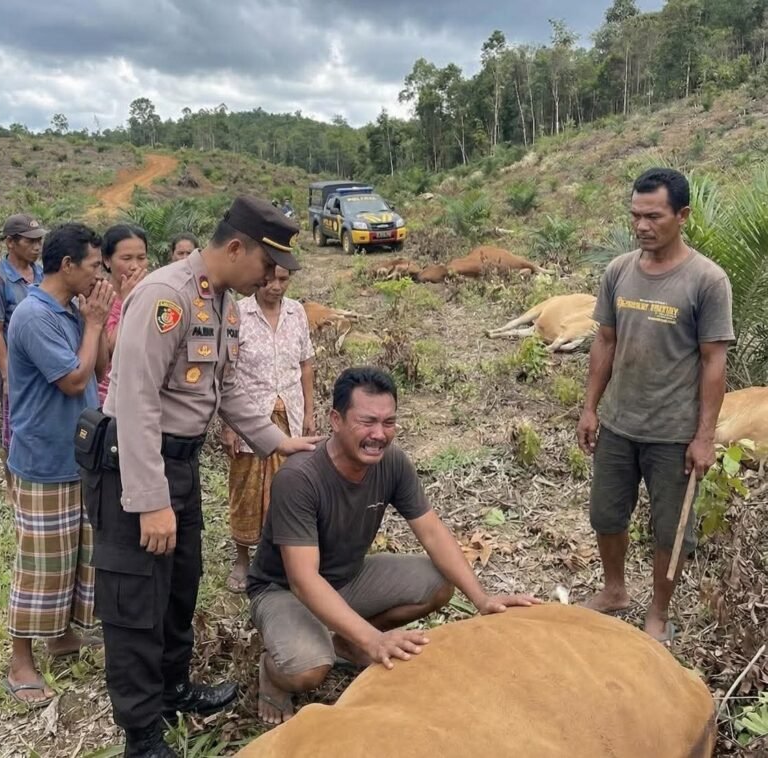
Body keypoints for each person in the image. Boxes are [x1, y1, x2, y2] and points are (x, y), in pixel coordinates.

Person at [91, 196, 321, 758]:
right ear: (237, 248)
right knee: (136, 601)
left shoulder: (217, 300)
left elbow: (226, 390)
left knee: (178, 587)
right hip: (137, 464)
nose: (272, 278)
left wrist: (276, 440)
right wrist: (149, 500)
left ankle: (172, 688)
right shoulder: (166, 297)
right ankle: (141, 734)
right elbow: (137, 400)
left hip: (182, 464)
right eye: (267, 267)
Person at [247, 367, 540, 726]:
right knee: (307, 670)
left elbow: (432, 532)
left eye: (389, 422)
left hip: (348, 578)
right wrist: (374, 639)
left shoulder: (393, 463)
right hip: (284, 591)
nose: (378, 435)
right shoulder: (300, 478)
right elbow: (303, 580)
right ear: (335, 420)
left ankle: (345, 642)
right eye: (367, 422)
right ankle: (273, 673)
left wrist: (482, 599)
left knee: (436, 583)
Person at [577, 168, 734, 646]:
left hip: (673, 433)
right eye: (635, 216)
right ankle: (614, 591)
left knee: (672, 530)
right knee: (606, 515)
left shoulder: (707, 280)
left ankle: (658, 612)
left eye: (654, 216)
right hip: (620, 424)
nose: (642, 226)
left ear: (682, 216)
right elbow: (605, 340)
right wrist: (590, 408)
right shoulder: (619, 271)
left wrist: (704, 436)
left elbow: (714, 361)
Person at [4, 222, 114, 706]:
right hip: (43, 461)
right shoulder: (34, 315)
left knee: (75, 556)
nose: (100, 273)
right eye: (94, 265)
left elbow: (102, 368)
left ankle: (62, 637)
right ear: (67, 266)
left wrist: (101, 321)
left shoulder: (72, 308)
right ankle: (19, 663)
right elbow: (73, 380)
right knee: (41, 565)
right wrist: (93, 325)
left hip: (77, 456)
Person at [221, 265, 315, 593]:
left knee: (289, 489)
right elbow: (226, 372)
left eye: (283, 279)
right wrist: (229, 426)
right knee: (245, 489)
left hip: (290, 416)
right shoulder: (238, 313)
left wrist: (309, 413)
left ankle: (282, 559)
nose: (275, 286)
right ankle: (243, 559)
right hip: (250, 419)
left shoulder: (297, 312)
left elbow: (305, 365)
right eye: (269, 278)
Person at [0, 214, 46, 493]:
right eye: (30, 241)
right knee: (12, 429)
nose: (36, 246)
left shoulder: (42, 273)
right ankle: (12, 489)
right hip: (16, 369)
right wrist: (7, 375)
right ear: (10, 242)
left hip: (43, 365)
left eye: (39, 240)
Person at [97, 224, 149, 404]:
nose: (135, 266)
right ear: (107, 260)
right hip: (107, 399)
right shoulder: (99, 296)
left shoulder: (154, 296)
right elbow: (112, 349)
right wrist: (129, 302)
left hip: (142, 398)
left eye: (141, 258)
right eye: (126, 258)